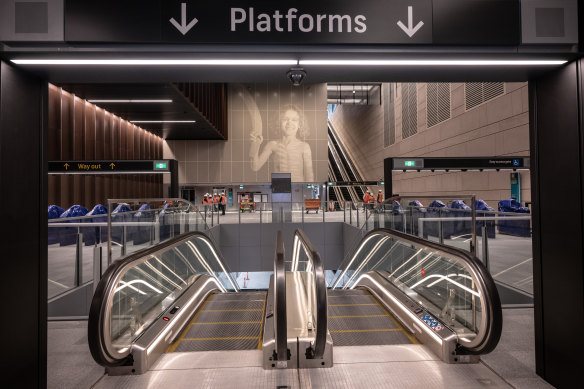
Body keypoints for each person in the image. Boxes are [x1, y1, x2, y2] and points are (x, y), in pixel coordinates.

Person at [249, 104, 314, 182]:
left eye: (294, 120)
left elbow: (309, 176)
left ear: (300, 124)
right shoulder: (272, 145)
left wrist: (308, 192)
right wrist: (256, 144)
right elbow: (255, 167)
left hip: (298, 188)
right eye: (285, 119)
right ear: (279, 122)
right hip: (279, 188)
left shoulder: (304, 146)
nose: (289, 123)